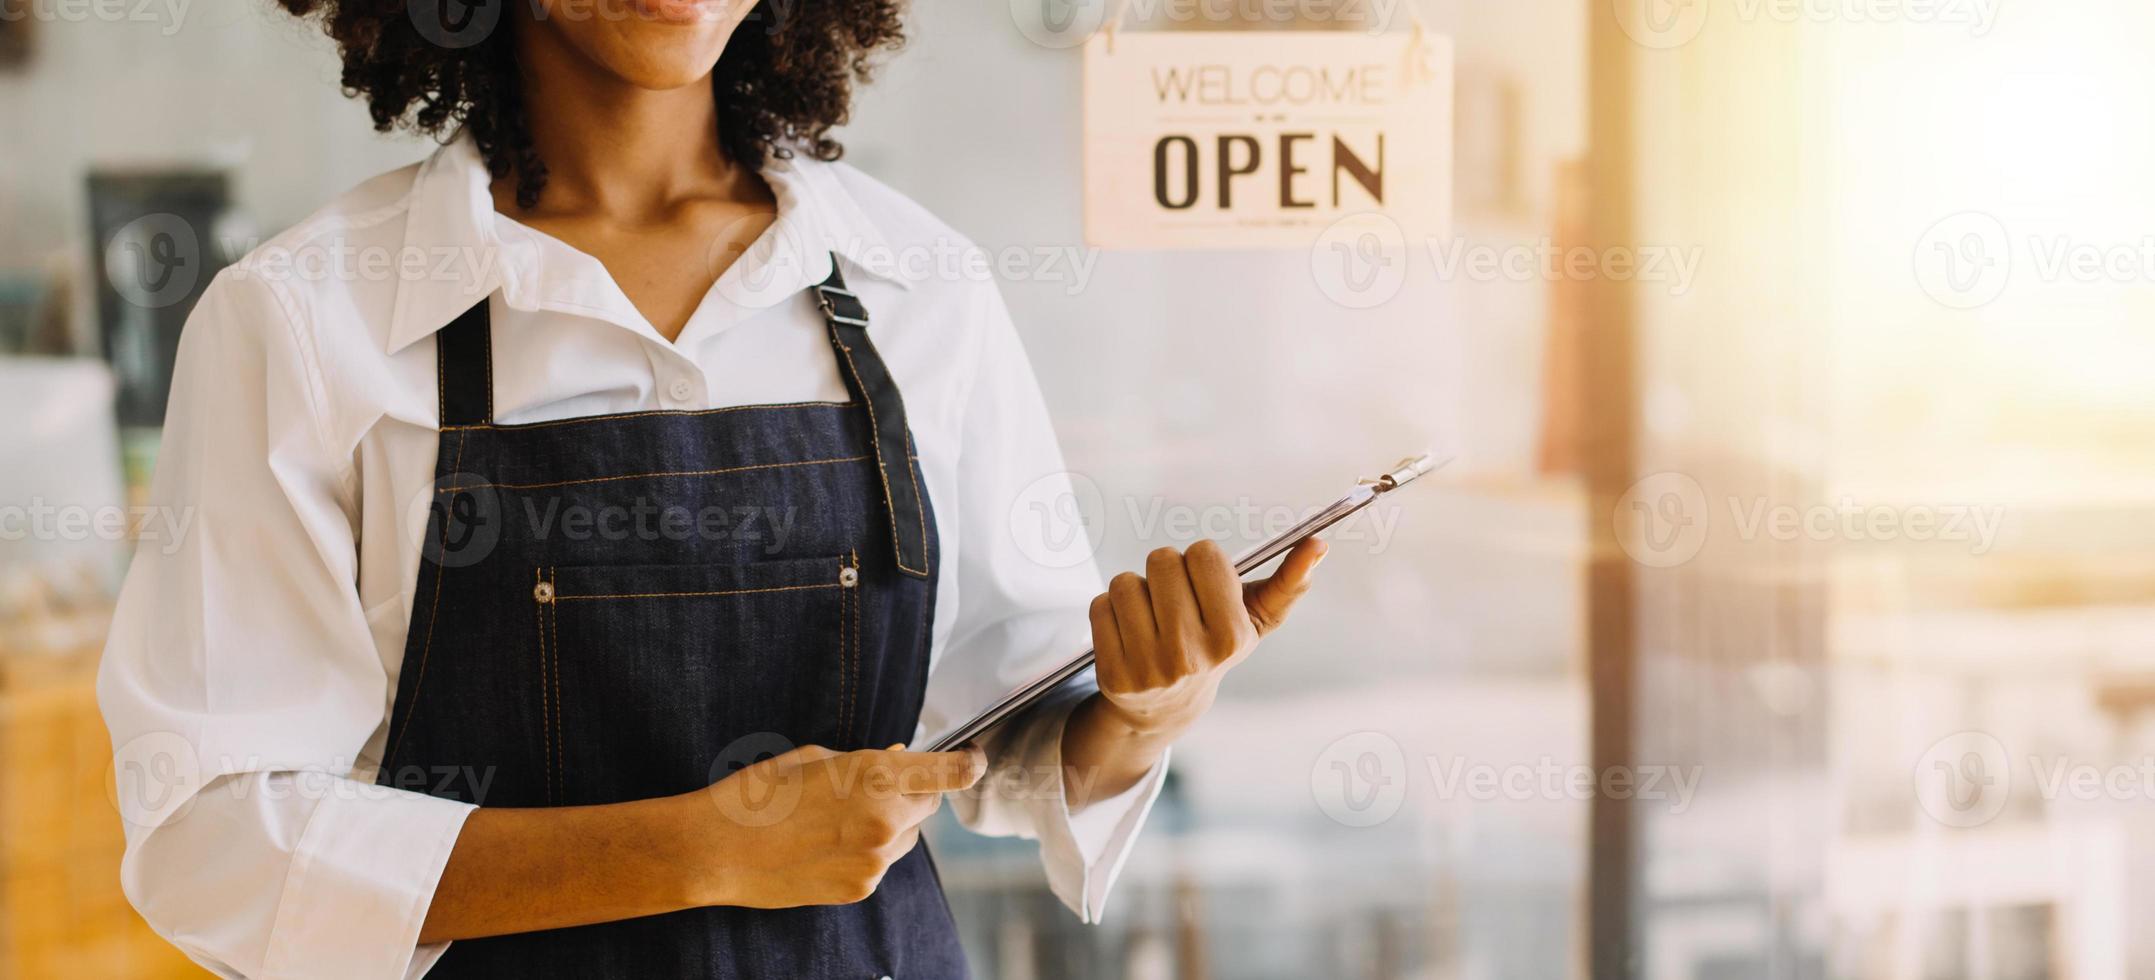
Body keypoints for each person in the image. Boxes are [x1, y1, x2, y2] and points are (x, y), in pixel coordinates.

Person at [97, 1, 1327, 976]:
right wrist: (699, 847)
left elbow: (1007, 739)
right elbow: (215, 840)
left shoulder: (917, 286)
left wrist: (1143, 711)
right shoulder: (304, 323)